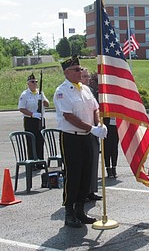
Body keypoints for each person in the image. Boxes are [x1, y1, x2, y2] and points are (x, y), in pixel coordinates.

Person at [53, 55, 107, 228]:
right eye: (76, 69)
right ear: (66, 72)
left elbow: (95, 108)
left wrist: (98, 123)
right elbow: (68, 116)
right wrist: (91, 128)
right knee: (73, 174)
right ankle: (69, 211)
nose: (80, 71)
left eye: (80, 68)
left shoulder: (85, 89)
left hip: (86, 137)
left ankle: (80, 210)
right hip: (71, 137)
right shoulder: (62, 91)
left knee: (86, 174)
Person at [80, 68, 102, 201]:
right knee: (83, 164)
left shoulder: (90, 91)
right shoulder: (73, 92)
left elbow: (96, 109)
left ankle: (91, 190)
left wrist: (99, 124)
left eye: (87, 76)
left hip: (93, 130)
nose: (87, 79)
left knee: (93, 161)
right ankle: (83, 192)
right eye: (84, 76)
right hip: (82, 131)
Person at [18, 73, 49, 162]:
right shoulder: (25, 94)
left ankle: (40, 161)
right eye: (33, 82)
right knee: (31, 141)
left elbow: (47, 104)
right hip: (30, 120)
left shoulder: (40, 92)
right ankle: (32, 161)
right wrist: (33, 114)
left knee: (40, 140)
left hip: (40, 120)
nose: (35, 83)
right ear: (28, 83)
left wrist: (43, 100)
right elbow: (21, 108)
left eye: (36, 82)